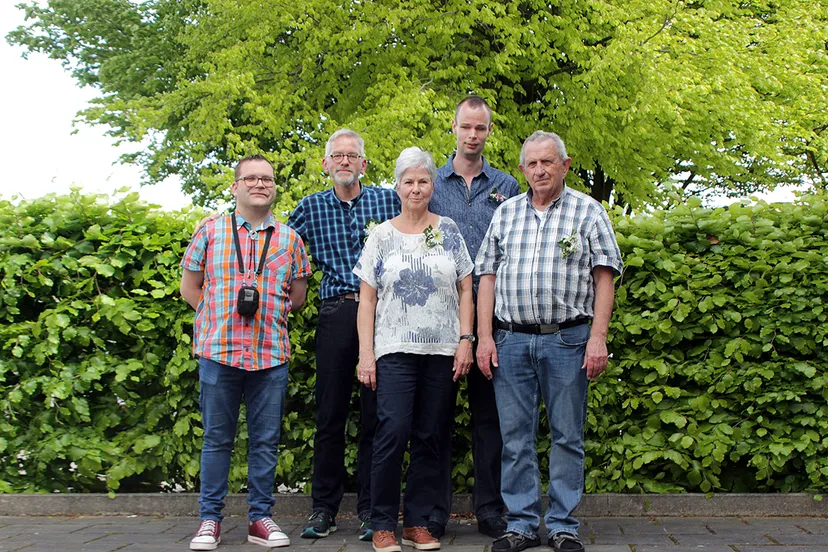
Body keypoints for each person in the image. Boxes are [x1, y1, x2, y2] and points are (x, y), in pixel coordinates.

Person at [475, 132, 623, 552]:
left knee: (567, 436)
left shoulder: (588, 212)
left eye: (547, 162)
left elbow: (605, 276)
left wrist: (598, 338)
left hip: (568, 341)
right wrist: (485, 337)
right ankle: (521, 524)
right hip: (511, 341)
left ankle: (562, 525)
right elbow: (486, 277)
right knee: (516, 438)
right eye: (532, 164)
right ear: (522, 170)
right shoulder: (504, 215)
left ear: (565, 164)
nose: (539, 170)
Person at [180, 154, 312, 551]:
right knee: (217, 439)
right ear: (236, 186)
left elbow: (299, 297)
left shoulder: (290, 239)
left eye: (267, 179)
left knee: (265, 441)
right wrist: (214, 318)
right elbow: (190, 288)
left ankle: (260, 518)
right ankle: (209, 521)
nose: (260, 184)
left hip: (270, 355)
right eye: (251, 178)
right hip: (218, 352)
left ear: (274, 187)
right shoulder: (210, 232)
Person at [353, 147, 474, 552]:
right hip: (393, 351)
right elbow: (366, 300)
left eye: (423, 181)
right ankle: (383, 521)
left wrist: (465, 341)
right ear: (398, 186)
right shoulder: (381, 235)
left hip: (442, 351)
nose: (416, 188)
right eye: (409, 181)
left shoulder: (449, 229)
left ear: (432, 185)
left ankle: (418, 522)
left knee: (430, 436)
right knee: (392, 432)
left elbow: (466, 288)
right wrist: (366, 354)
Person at [288, 129, 400, 541]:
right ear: (325, 164)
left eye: (352, 156)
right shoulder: (309, 208)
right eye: (337, 156)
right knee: (330, 415)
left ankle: (372, 510)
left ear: (364, 164)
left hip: (385, 315)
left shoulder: (388, 201)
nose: (345, 162)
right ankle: (324, 510)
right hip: (336, 312)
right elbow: (280, 247)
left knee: (379, 416)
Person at [428, 95, 519, 539]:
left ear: (488, 131)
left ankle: (490, 509)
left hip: (493, 321)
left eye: (480, 128)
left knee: (490, 421)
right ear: (454, 126)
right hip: (436, 318)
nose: (472, 135)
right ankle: (434, 512)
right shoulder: (431, 183)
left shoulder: (507, 186)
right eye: (466, 127)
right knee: (436, 418)